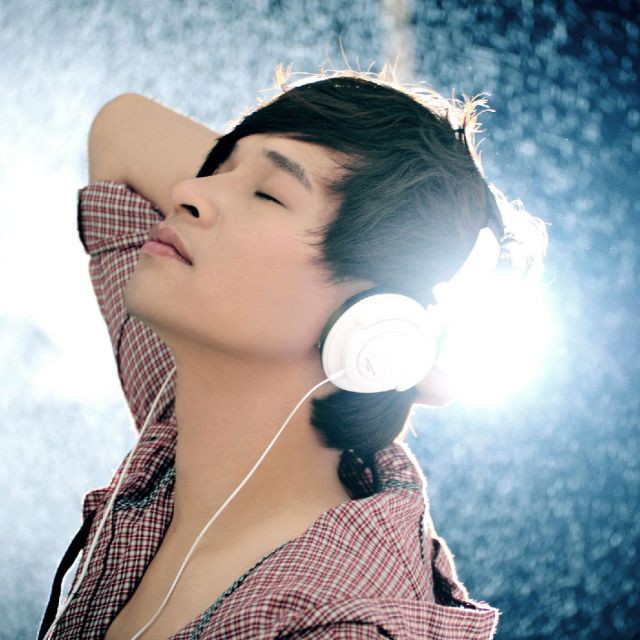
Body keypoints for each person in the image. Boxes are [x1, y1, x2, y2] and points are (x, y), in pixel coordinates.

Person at [40, 65, 547, 639]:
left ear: (373, 324)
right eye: (218, 169)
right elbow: (124, 128)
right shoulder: (193, 417)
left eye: (268, 194)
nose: (186, 191)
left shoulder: (346, 628)